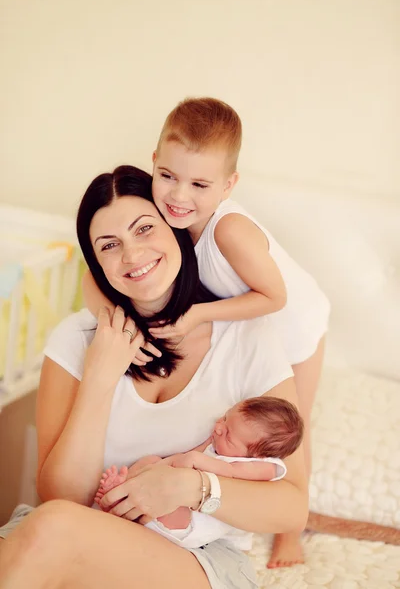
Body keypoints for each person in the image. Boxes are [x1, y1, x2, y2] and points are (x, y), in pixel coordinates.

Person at [0, 165, 308, 589]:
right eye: (109, 245)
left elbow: (292, 506)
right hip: (72, 537)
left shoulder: (248, 339)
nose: (131, 255)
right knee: (50, 527)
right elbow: (62, 498)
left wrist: (191, 487)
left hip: (193, 559)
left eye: (144, 229)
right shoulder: (75, 340)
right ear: (96, 263)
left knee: (52, 529)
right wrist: (100, 378)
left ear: (177, 228)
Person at [94, 395, 304, 549]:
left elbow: (230, 472)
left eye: (229, 435)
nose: (219, 427)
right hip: (169, 491)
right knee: (151, 461)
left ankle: (128, 504)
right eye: (224, 418)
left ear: (257, 455)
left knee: (174, 507)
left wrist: (195, 461)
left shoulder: (264, 466)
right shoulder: (218, 445)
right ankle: (122, 490)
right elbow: (184, 457)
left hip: (195, 521)